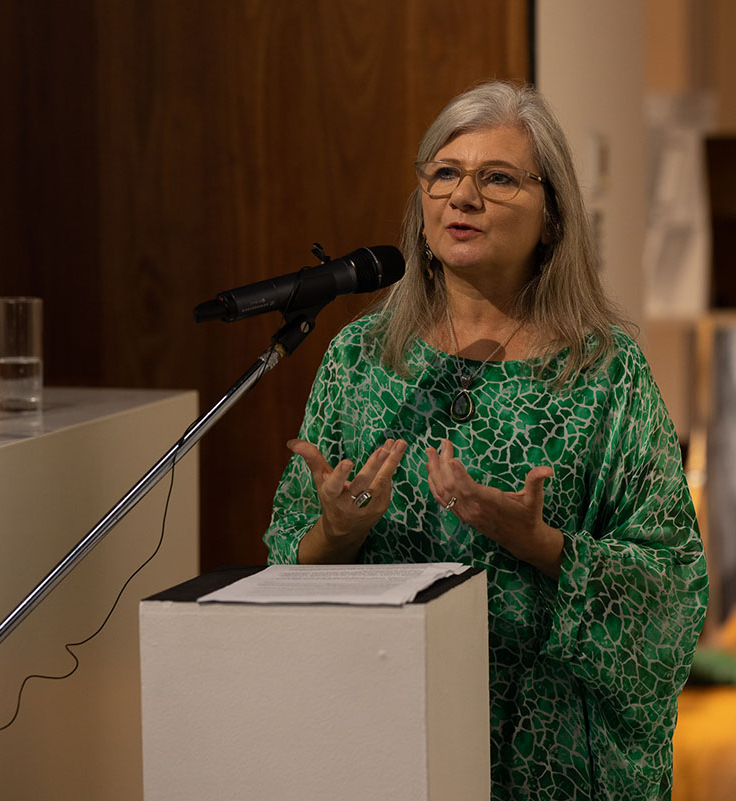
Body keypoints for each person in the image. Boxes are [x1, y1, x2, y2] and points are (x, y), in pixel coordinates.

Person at [264, 80, 708, 800]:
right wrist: (338, 531)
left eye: (497, 178)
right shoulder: (362, 357)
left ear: (551, 217)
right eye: (444, 173)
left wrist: (540, 542)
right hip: (389, 724)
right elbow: (289, 557)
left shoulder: (604, 371)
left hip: (551, 749)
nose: (462, 197)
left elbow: (671, 585)